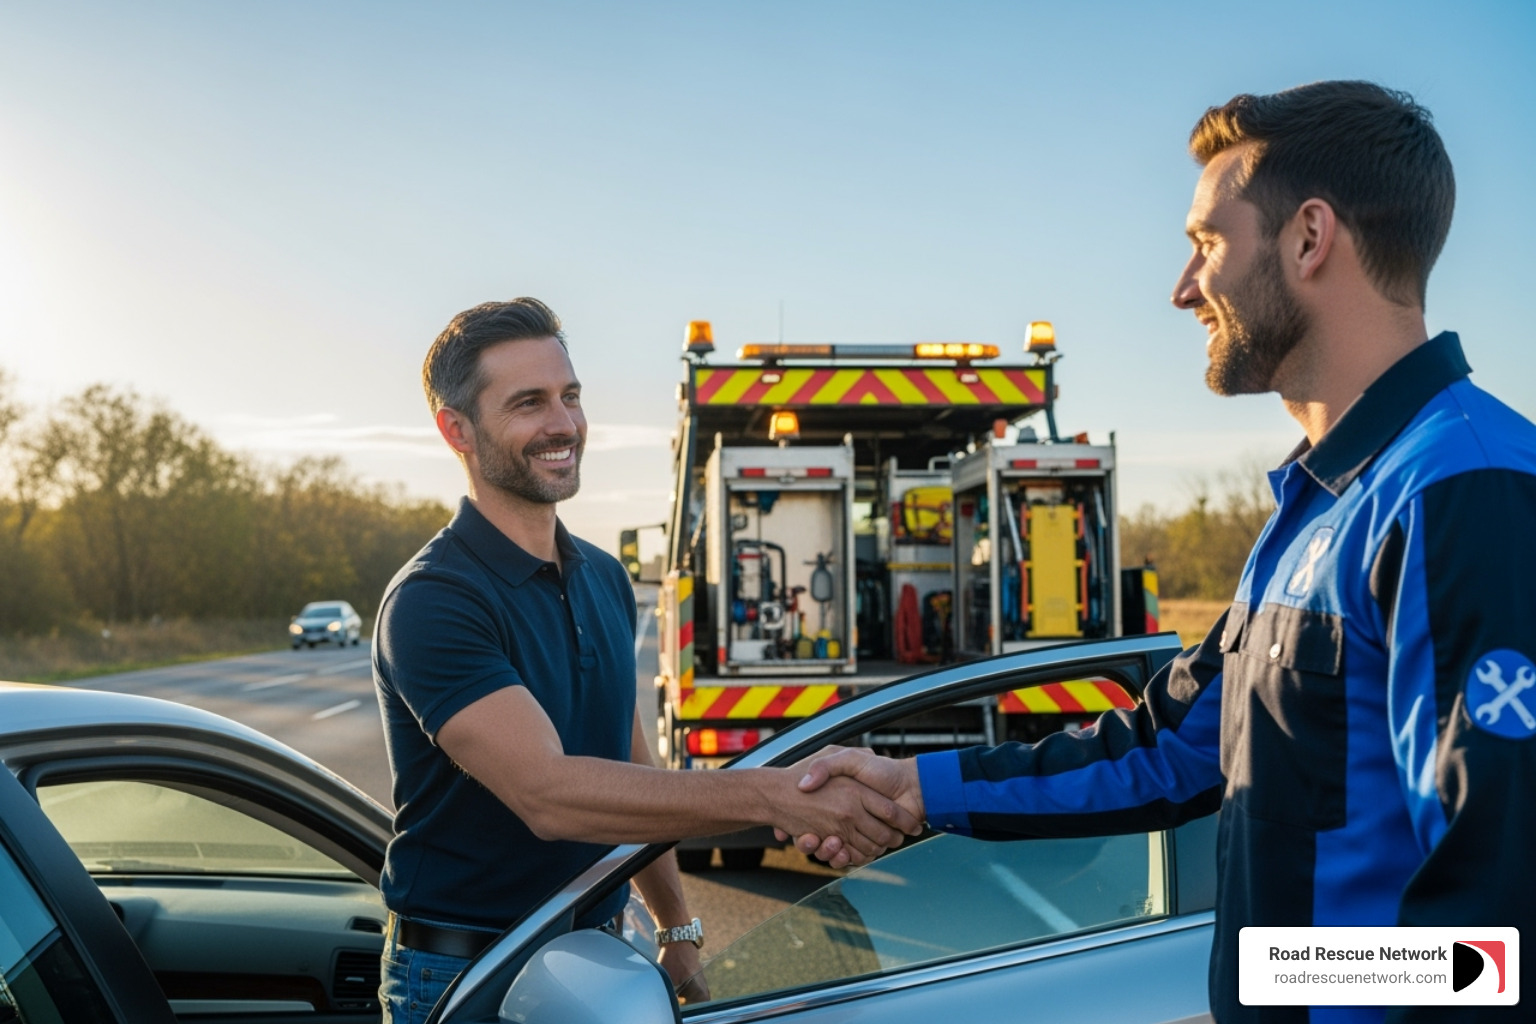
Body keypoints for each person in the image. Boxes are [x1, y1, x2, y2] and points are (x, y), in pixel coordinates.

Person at [790, 81, 1536, 1023]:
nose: (1184, 289)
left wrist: (1279, 976)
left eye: (1207, 245)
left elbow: (1498, 949)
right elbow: (1170, 750)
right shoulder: (1311, 511)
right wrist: (913, 784)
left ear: (1310, 239)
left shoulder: (1466, 490)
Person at [372, 298, 921, 1024]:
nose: (564, 424)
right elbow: (551, 795)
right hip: (466, 970)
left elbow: (633, 767)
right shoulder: (433, 600)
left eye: (570, 396)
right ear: (457, 430)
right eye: (529, 403)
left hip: (599, 955)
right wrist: (771, 795)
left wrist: (678, 928)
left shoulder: (602, 576)